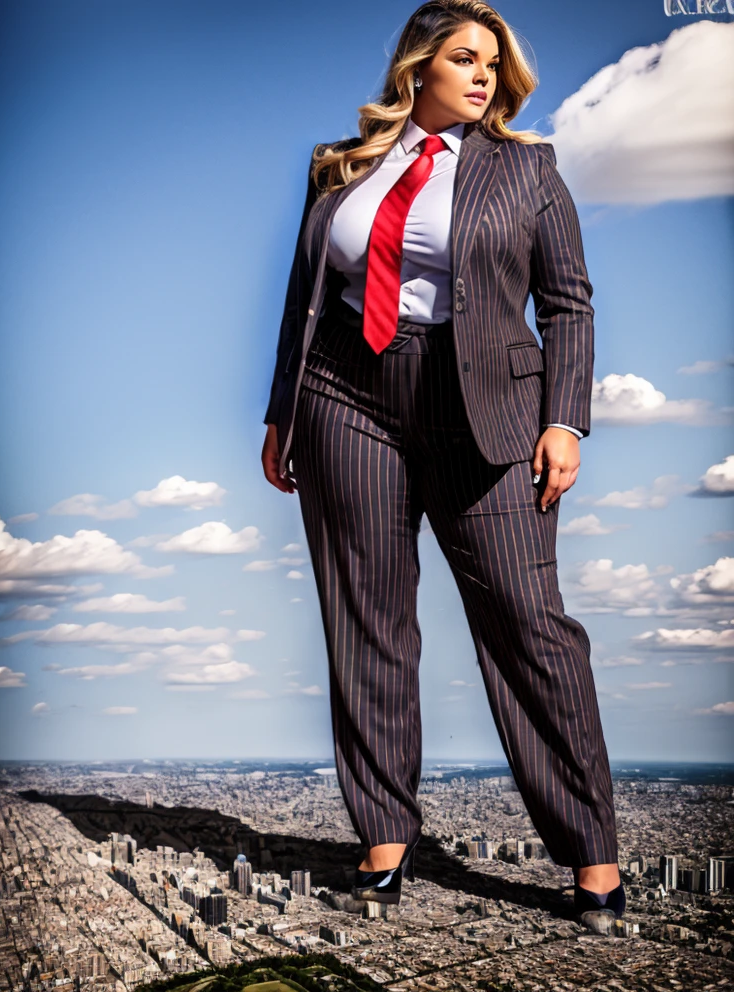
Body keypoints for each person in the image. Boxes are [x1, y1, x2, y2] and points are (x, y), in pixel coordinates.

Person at [261, 0, 625, 928]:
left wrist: (566, 422)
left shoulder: (527, 170)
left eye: (493, 65)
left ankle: (592, 852)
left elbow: (569, 305)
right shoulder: (337, 167)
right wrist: (281, 416)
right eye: (464, 58)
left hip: (488, 409)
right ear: (416, 65)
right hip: (345, 393)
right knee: (366, 618)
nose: (482, 77)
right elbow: (306, 298)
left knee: (528, 623)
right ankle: (384, 842)